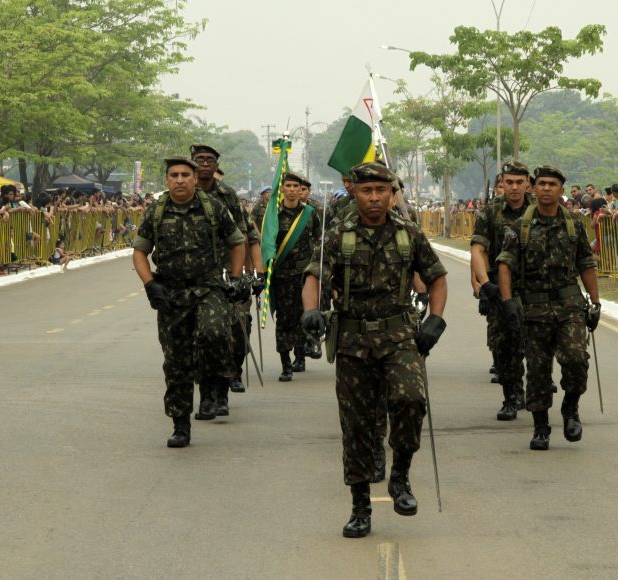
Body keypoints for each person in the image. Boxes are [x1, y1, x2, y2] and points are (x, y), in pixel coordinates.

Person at [300, 162, 448, 538]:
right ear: (356, 193)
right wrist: (311, 309)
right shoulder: (339, 234)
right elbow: (314, 275)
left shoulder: (407, 233)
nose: (375, 198)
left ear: (391, 194)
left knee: (411, 399)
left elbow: (437, 277)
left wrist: (436, 318)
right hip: (352, 340)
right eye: (367, 191)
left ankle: (400, 476)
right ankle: (360, 507)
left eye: (382, 191)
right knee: (357, 424)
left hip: (399, 336)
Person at [132, 156, 247, 448]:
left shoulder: (213, 208)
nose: (180, 179)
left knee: (214, 332)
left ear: (195, 179)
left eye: (186, 174)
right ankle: (180, 424)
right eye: (174, 175)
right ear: (167, 180)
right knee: (176, 364)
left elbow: (237, 242)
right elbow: (139, 253)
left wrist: (235, 279)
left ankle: (217, 380)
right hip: (171, 296)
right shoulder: (155, 212)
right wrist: (150, 285)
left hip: (208, 288)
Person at [496, 165, 600, 451]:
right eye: (541, 183)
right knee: (539, 371)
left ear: (561, 190)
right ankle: (541, 426)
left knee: (577, 358)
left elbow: (586, 264)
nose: (546, 188)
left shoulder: (574, 224)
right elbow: (505, 265)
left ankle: (570, 408)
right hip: (534, 308)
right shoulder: (519, 228)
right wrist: (508, 302)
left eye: (552, 184)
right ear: (534, 187)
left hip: (569, 306)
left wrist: (596, 301)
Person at [190, 144, 265, 412]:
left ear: (216, 164)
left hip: (228, 276)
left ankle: (224, 387)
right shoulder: (183, 195)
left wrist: (257, 272)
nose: (205, 164)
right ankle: (207, 394)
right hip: (195, 280)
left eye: (210, 160)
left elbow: (247, 235)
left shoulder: (227, 196)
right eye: (199, 160)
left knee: (234, 330)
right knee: (202, 337)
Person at [471, 162, 533, 421]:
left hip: (533, 287)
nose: (514, 187)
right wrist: (484, 284)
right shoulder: (490, 212)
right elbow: (478, 249)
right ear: (502, 183)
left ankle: (536, 392)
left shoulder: (539, 209)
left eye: (519, 182)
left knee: (534, 344)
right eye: (509, 182)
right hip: (499, 286)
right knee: (505, 346)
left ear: (528, 183)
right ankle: (511, 397)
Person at [272, 171, 322, 381]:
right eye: (289, 186)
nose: (292, 190)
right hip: (282, 275)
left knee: (304, 316)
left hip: (303, 276)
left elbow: (319, 239)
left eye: (296, 187)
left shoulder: (310, 213)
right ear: (282, 188)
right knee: (284, 320)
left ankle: (300, 357)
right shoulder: (273, 214)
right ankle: (285, 364)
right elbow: (266, 243)